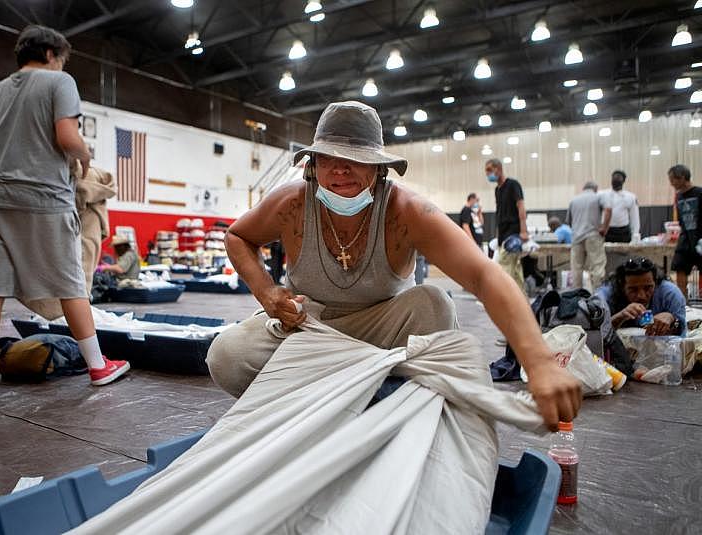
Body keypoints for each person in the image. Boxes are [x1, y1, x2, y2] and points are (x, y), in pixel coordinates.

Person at [206, 100, 581, 431]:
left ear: (380, 169)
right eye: (328, 158)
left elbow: (484, 274)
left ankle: (366, 400)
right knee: (227, 355)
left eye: (355, 160)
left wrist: (539, 362)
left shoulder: (406, 212)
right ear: (311, 165)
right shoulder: (290, 204)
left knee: (433, 304)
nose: (340, 170)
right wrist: (267, 291)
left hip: (382, 328)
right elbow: (238, 237)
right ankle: (351, 401)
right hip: (309, 325)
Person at [0, 25, 129, 393]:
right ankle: (97, 365)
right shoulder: (60, 82)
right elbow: (67, 138)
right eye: (61, 60)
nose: (61, 66)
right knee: (70, 282)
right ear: (49, 54)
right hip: (44, 198)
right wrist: (86, 155)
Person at [596, 257, 686, 336]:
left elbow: (681, 334)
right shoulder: (604, 296)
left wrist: (672, 318)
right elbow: (595, 336)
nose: (641, 296)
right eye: (633, 290)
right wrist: (619, 317)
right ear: (621, 286)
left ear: (655, 282)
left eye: (648, 288)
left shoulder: (670, 294)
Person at [487, 158, 527, 293]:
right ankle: (524, 306)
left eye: (489, 170)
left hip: (513, 233)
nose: (488, 174)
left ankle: (509, 305)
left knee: (505, 274)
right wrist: (498, 238)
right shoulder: (498, 190)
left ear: (498, 169)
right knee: (515, 273)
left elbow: (520, 206)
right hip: (503, 235)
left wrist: (523, 231)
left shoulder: (513, 185)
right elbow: (499, 214)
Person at [566, 181, 612, 290]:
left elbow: (569, 221)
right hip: (593, 235)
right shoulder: (597, 197)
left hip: (576, 237)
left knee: (576, 268)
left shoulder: (574, 200)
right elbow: (608, 209)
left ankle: (576, 295)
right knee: (597, 266)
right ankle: (598, 294)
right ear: (595, 189)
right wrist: (604, 228)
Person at [668, 164, 702, 299]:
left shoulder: (699, 193)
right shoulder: (679, 196)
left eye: (672, 179)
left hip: (700, 238)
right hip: (686, 238)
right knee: (679, 266)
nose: (671, 183)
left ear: (682, 177)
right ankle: (682, 298)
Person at [602, 170, 640, 243]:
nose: (616, 180)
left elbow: (634, 217)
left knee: (624, 253)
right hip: (607, 231)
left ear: (623, 181)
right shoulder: (602, 195)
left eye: (618, 178)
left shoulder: (631, 196)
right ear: (611, 180)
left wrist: (635, 234)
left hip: (623, 232)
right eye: (614, 178)